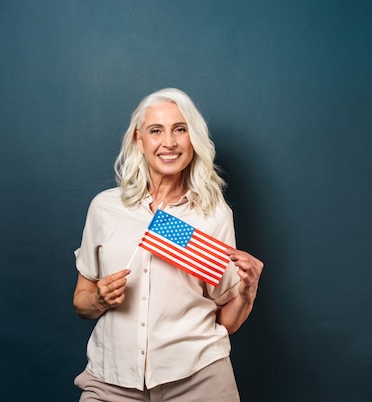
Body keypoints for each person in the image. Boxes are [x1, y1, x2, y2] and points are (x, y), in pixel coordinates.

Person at [72, 88, 263, 401]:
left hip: (197, 379)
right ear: (139, 140)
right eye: (156, 130)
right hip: (111, 381)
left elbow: (226, 322)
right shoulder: (105, 208)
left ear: (193, 139)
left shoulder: (213, 214)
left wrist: (247, 292)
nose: (169, 143)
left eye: (180, 129)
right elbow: (81, 301)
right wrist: (100, 300)